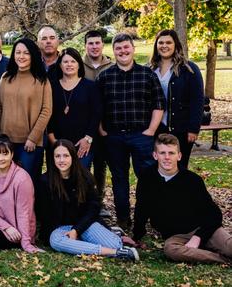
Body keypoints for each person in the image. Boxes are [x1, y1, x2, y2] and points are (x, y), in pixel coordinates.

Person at [96, 33, 165, 230]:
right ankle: (123, 219)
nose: (123, 51)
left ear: (133, 49)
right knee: (119, 179)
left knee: (146, 177)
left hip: (141, 135)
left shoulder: (147, 75)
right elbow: (98, 107)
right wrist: (101, 130)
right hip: (114, 136)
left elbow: (158, 104)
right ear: (113, 51)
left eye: (126, 47)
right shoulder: (105, 77)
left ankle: (146, 219)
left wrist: (151, 130)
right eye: (118, 48)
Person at [132, 134, 231, 264]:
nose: (167, 157)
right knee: (170, 250)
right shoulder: (147, 179)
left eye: (171, 153)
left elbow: (214, 215)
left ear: (179, 156)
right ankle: (222, 259)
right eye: (162, 153)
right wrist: (136, 236)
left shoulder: (192, 180)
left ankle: (215, 252)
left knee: (230, 247)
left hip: (204, 229)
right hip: (177, 237)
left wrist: (198, 237)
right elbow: (141, 208)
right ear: (155, 155)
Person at [39, 140, 139, 261]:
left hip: (85, 224)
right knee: (55, 242)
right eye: (57, 156)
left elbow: (94, 208)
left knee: (114, 243)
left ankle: (110, 238)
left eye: (66, 155)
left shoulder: (84, 177)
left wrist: (77, 230)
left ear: (73, 157)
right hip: (60, 228)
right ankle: (117, 253)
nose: (61, 160)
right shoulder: (45, 181)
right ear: (52, 158)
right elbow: (45, 215)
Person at [0, 37, 51, 182]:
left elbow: (46, 110)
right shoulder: (6, 78)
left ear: (33, 55)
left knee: (26, 183)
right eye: (18, 52)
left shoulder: (41, 79)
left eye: (26, 53)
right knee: (7, 182)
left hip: (30, 143)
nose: (21, 56)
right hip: (6, 142)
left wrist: (33, 138)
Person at [149, 29, 204, 168]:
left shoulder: (189, 69)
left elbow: (197, 100)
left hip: (181, 128)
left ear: (176, 45)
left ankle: (181, 191)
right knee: (158, 167)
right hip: (156, 128)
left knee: (179, 167)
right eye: (160, 42)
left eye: (168, 42)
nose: (164, 45)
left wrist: (193, 129)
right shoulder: (149, 70)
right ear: (156, 45)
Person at [47, 48, 101, 169]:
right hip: (57, 142)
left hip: (82, 143)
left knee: (80, 180)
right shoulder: (51, 86)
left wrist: (87, 139)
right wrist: (53, 140)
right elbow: (47, 113)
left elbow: (96, 114)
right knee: (58, 181)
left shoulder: (90, 87)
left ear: (79, 65)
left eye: (73, 61)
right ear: (60, 65)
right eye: (65, 62)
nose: (69, 64)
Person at [82, 30, 113, 216]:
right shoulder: (79, 65)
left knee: (101, 165)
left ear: (102, 44)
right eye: (90, 43)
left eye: (97, 43)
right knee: (84, 166)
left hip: (105, 126)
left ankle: (99, 202)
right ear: (86, 45)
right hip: (84, 125)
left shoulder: (110, 66)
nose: (94, 46)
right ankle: (84, 201)